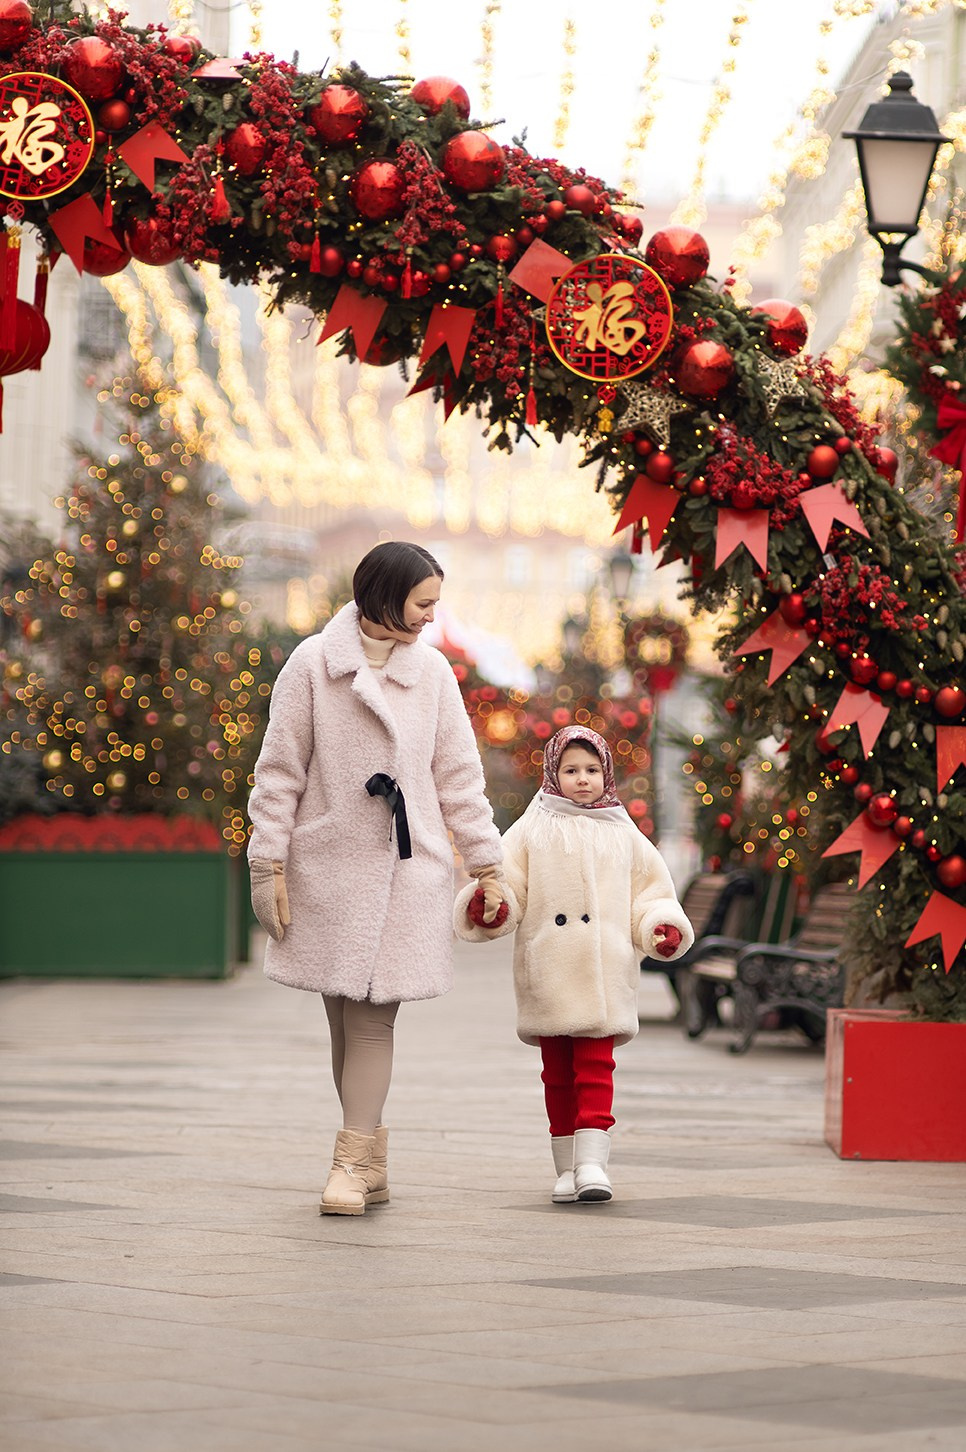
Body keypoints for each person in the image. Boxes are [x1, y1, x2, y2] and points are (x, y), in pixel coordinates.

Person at [247, 541, 505, 1216]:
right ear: (385, 595)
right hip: (326, 869)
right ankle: (371, 1163)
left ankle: (349, 1168)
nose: (430, 616)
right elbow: (278, 772)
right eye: (423, 602)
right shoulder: (312, 664)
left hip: (404, 869)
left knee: (369, 1025)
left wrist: (487, 864)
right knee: (342, 1021)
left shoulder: (435, 675)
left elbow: (458, 778)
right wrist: (266, 864)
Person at [454, 725, 692, 1204]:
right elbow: (509, 885)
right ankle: (567, 1167)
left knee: (596, 1067)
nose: (582, 779)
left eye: (591, 770)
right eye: (570, 770)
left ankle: (593, 1164)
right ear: (552, 772)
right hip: (550, 966)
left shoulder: (624, 833)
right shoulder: (530, 828)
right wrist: (491, 906)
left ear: (605, 773)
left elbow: (651, 894)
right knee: (557, 1072)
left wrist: (661, 927)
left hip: (604, 971)